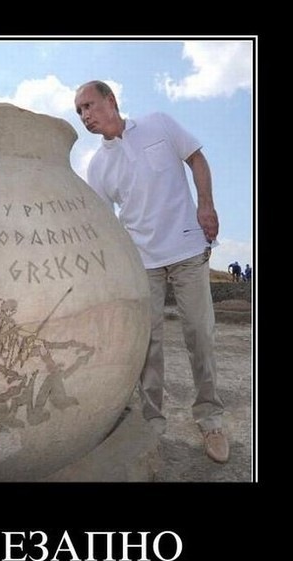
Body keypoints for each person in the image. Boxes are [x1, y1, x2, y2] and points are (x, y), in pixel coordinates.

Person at [74, 80, 229, 463]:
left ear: (111, 100)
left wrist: (206, 205)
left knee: (200, 335)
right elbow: (104, 224)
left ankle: (210, 419)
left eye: (89, 105)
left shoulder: (159, 123)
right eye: (79, 112)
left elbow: (197, 159)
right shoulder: (98, 166)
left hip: (188, 249)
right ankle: (152, 424)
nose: (84, 116)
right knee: (148, 345)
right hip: (142, 262)